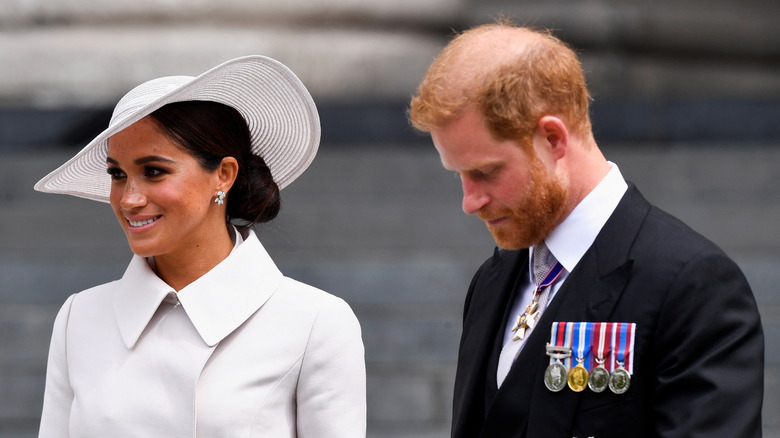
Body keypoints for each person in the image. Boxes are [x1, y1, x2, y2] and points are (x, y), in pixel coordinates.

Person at [409, 22, 764, 438]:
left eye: (485, 172)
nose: (470, 202)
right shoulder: (494, 279)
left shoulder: (691, 284)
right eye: (459, 176)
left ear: (552, 138)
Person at [35, 55, 366, 437]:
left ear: (223, 175)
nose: (129, 199)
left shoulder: (315, 323)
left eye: (154, 171)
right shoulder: (79, 318)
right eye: (117, 174)